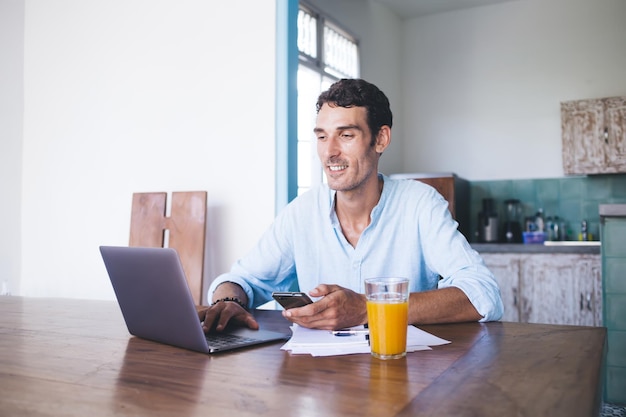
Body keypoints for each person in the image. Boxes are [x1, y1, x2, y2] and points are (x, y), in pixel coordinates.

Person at [199, 78, 503, 333]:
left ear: (380, 139)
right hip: (322, 386)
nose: (330, 152)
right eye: (322, 136)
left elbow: (483, 294)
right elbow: (241, 280)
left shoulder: (420, 205)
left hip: (406, 379)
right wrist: (229, 303)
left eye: (346, 135)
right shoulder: (302, 212)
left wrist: (370, 309)